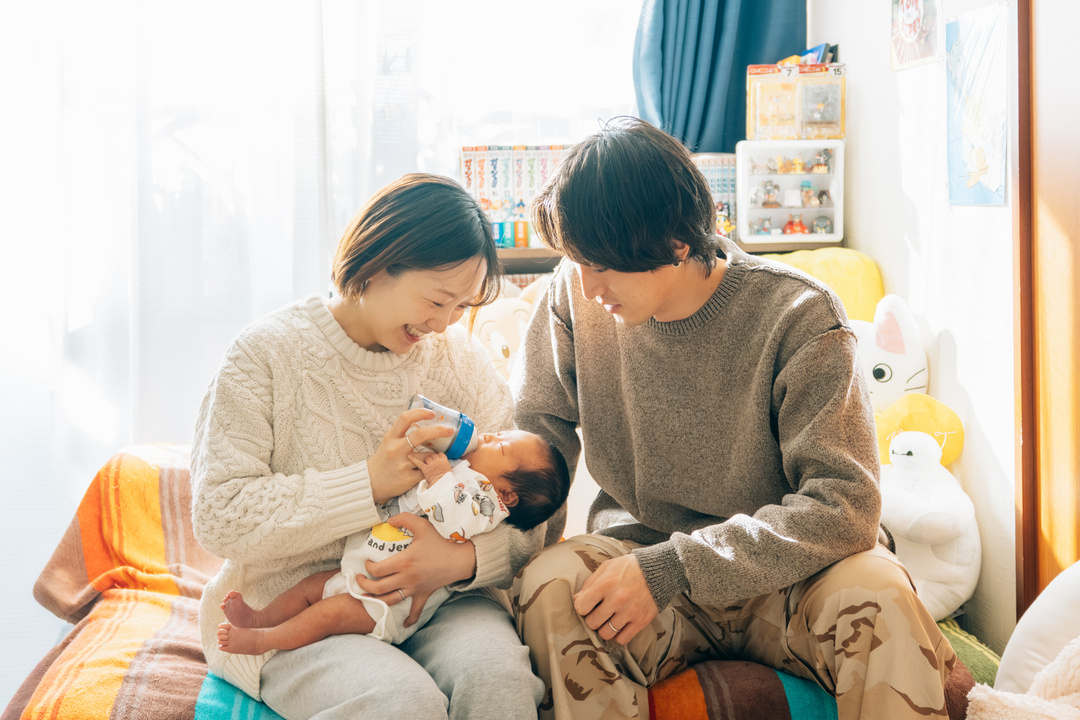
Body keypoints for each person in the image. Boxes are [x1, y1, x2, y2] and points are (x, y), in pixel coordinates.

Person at [510, 118, 957, 720]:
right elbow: (537, 444)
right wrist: (493, 564)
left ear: (676, 242)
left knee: (882, 593)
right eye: (575, 261)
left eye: (602, 265)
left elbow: (846, 504)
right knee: (549, 587)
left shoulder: (799, 313)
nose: (587, 286)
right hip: (641, 562)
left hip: (793, 579)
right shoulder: (573, 296)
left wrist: (676, 567)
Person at [191, 173, 548, 720]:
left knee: (499, 679)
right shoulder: (264, 356)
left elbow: (530, 513)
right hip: (299, 606)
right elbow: (219, 516)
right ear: (380, 262)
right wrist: (367, 485)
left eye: (460, 307)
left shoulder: (462, 361)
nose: (442, 324)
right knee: (401, 702)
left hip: (441, 601)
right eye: (437, 300)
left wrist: (460, 559)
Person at [215, 429, 570, 655]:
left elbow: (455, 521)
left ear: (507, 494)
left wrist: (439, 475)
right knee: (310, 588)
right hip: (364, 572)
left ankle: (265, 640)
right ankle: (261, 618)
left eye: (500, 445)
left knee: (325, 615)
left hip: (388, 604)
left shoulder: (486, 507)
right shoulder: (465, 476)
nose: (489, 435)